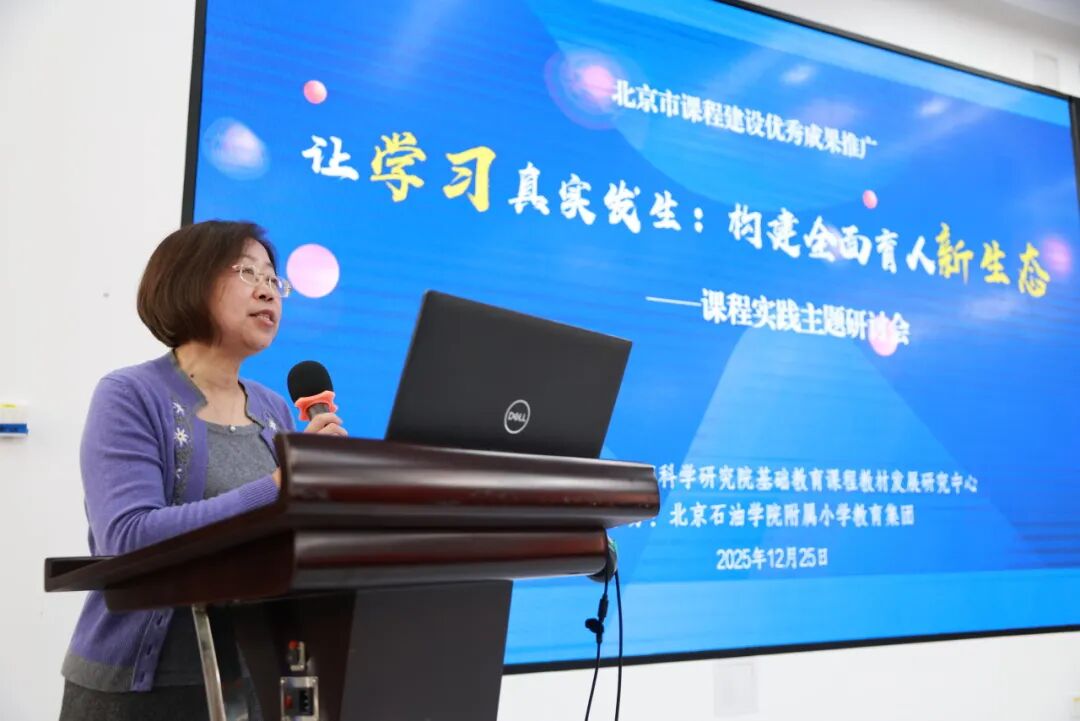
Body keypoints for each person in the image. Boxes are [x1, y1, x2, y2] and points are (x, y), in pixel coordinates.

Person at [58, 221, 346, 720]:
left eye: (273, 279)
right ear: (189, 280)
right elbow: (127, 537)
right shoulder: (130, 395)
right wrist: (279, 487)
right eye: (247, 272)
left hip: (257, 675)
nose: (267, 290)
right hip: (141, 690)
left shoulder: (274, 408)